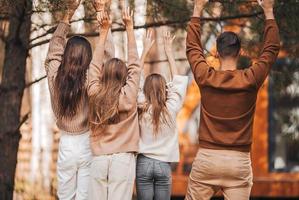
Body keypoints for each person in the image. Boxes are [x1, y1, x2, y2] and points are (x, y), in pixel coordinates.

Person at [185, 0, 280, 199]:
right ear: (239, 52)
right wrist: (269, 12)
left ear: (217, 53)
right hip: (238, 162)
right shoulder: (250, 79)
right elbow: (270, 50)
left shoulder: (205, 77)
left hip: (208, 159)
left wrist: (197, 9)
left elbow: (193, 49)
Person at [45, 0, 113, 198]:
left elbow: (54, 48)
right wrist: (102, 18)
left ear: (66, 55)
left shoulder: (54, 75)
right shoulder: (89, 78)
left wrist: (69, 13)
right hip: (86, 141)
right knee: (85, 196)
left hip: (66, 144)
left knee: (65, 196)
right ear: (88, 58)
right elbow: (108, 59)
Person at [87, 7, 141, 200]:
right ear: (125, 77)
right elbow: (135, 65)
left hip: (99, 160)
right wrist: (129, 28)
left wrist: (103, 33)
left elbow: (94, 67)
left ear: (103, 74)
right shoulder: (129, 95)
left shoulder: (95, 94)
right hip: (123, 160)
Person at [136, 30, 188, 200]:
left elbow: (134, 79)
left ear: (146, 90)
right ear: (165, 89)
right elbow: (179, 82)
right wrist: (169, 52)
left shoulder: (142, 106)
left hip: (143, 163)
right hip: (163, 164)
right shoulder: (171, 108)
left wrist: (144, 50)